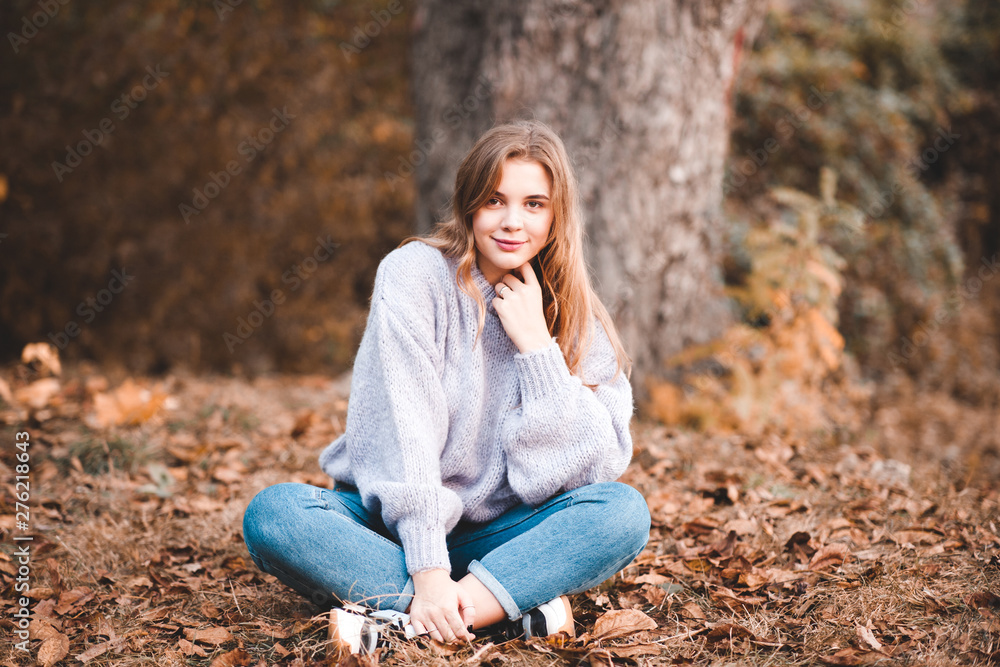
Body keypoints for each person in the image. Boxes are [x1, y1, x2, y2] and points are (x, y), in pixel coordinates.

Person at [242, 119, 651, 654]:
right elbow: (407, 433)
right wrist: (431, 571)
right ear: (469, 205)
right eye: (494, 200)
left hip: (500, 533)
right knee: (274, 515)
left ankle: (407, 617)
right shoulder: (415, 275)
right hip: (388, 527)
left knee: (623, 512)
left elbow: (590, 470)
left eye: (534, 204)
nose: (511, 222)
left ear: (556, 216)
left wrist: (536, 349)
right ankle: (494, 607)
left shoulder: (573, 311)